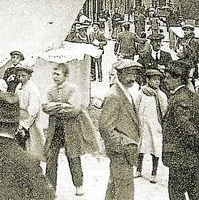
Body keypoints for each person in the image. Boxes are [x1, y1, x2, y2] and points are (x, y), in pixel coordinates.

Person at [44, 63, 99, 196]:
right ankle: (51, 187)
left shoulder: (73, 89)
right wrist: (61, 106)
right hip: (55, 127)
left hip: (71, 127)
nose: (55, 77)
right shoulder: (50, 89)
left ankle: (78, 184)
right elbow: (45, 107)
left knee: (73, 155)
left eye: (58, 74)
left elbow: (74, 109)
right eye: (54, 74)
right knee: (51, 156)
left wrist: (55, 107)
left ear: (66, 76)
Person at [162, 60, 199, 200]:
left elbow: (186, 129)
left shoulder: (178, 100)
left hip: (180, 158)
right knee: (196, 193)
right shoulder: (192, 96)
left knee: (176, 194)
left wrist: (197, 142)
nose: (165, 81)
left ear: (177, 78)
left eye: (167, 77)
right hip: (193, 158)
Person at [99, 59, 142, 200]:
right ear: (119, 74)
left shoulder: (125, 91)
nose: (133, 78)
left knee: (114, 188)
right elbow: (105, 128)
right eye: (129, 74)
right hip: (121, 152)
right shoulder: (114, 96)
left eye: (134, 74)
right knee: (125, 191)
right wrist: (124, 145)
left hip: (124, 151)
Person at [134, 68, 168, 183]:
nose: (157, 82)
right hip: (143, 125)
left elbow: (165, 111)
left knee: (155, 149)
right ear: (148, 80)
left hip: (155, 126)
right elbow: (135, 107)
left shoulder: (161, 96)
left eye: (158, 80)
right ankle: (138, 169)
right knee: (141, 148)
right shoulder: (141, 94)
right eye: (154, 80)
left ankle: (154, 173)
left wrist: (163, 124)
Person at [14, 65, 45, 160]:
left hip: (30, 122)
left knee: (31, 146)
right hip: (20, 119)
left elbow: (33, 110)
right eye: (18, 76)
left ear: (29, 76)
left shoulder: (32, 89)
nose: (20, 78)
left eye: (23, 75)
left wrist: (23, 125)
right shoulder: (19, 86)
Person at [177, 21, 199, 86]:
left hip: (190, 65)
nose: (185, 31)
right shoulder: (184, 39)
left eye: (187, 30)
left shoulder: (194, 41)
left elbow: (194, 56)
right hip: (183, 64)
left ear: (191, 31)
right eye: (184, 30)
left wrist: (184, 51)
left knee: (190, 84)